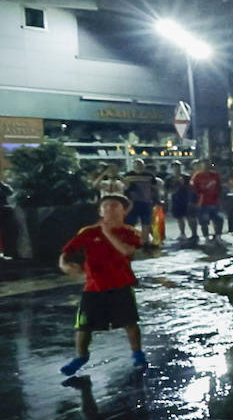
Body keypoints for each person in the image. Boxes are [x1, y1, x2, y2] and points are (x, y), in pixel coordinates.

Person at [57, 194, 146, 374]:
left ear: (124, 210)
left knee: (130, 322)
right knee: (83, 327)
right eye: (105, 206)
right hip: (93, 287)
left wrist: (107, 233)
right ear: (100, 211)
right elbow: (67, 252)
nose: (109, 209)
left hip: (121, 284)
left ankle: (137, 354)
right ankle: (81, 357)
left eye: (114, 206)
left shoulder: (130, 233)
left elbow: (127, 251)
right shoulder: (88, 232)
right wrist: (64, 264)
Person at [122, 159, 162, 244]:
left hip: (146, 202)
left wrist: (157, 199)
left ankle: (145, 242)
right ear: (133, 166)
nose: (138, 167)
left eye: (139, 165)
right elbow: (124, 189)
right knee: (130, 224)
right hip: (132, 203)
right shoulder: (127, 175)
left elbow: (154, 189)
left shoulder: (149, 175)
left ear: (143, 166)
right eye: (136, 165)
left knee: (146, 223)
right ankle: (131, 241)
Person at [190, 159, 224, 241]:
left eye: (207, 165)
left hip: (215, 202)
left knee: (218, 220)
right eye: (204, 165)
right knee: (204, 221)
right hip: (203, 203)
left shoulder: (215, 175)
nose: (205, 167)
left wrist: (220, 199)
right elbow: (194, 190)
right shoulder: (197, 176)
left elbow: (219, 188)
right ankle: (206, 238)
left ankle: (218, 236)